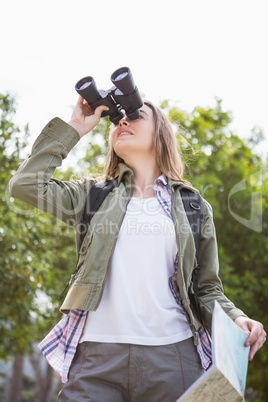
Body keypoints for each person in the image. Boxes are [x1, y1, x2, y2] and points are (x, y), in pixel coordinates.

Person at [9, 95, 266, 401]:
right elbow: (25, 184)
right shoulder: (93, 195)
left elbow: (206, 288)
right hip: (96, 357)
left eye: (136, 115)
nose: (123, 122)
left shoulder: (193, 205)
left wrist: (236, 318)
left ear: (161, 135)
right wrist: (75, 127)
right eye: (117, 120)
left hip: (173, 358)